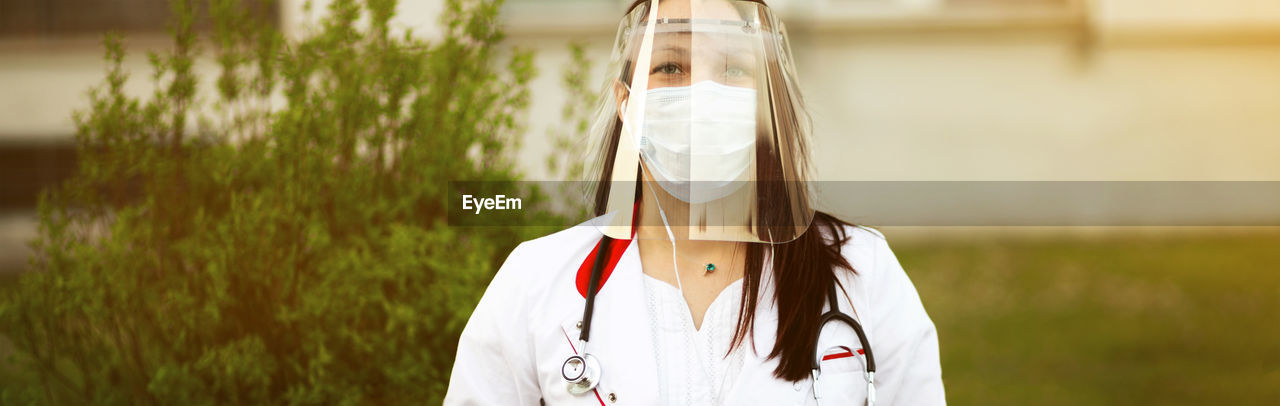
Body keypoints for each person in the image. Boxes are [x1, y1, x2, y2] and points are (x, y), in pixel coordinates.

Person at [445, 0, 944, 404]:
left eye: (732, 68)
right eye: (669, 66)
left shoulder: (862, 272)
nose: (702, 94)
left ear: (768, 105)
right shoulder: (536, 283)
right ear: (627, 102)